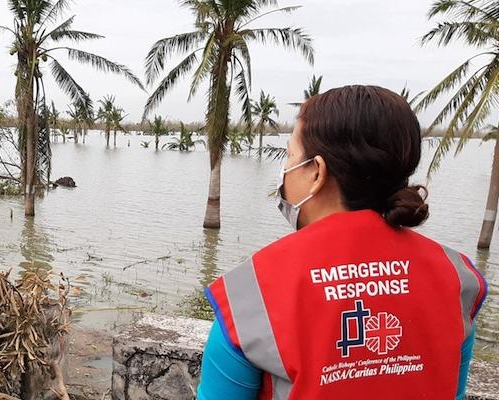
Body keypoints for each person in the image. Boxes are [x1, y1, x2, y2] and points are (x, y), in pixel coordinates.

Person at [197, 85, 488, 400]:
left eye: (290, 156)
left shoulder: (251, 292)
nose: (285, 171)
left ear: (316, 173)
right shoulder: (456, 277)